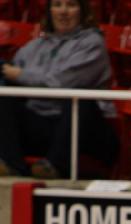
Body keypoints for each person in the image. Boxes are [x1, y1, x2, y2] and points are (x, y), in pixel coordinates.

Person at [0, 0, 118, 178]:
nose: (63, 11)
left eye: (71, 5)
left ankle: (54, 166)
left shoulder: (93, 43)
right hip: (42, 124)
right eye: (57, 5)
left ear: (83, 11)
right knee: (4, 94)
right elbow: (12, 77)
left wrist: (18, 74)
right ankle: (11, 164)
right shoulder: (33, 47)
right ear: (49, 11)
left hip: (85, 131)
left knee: (79, 99)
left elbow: (63, 81)